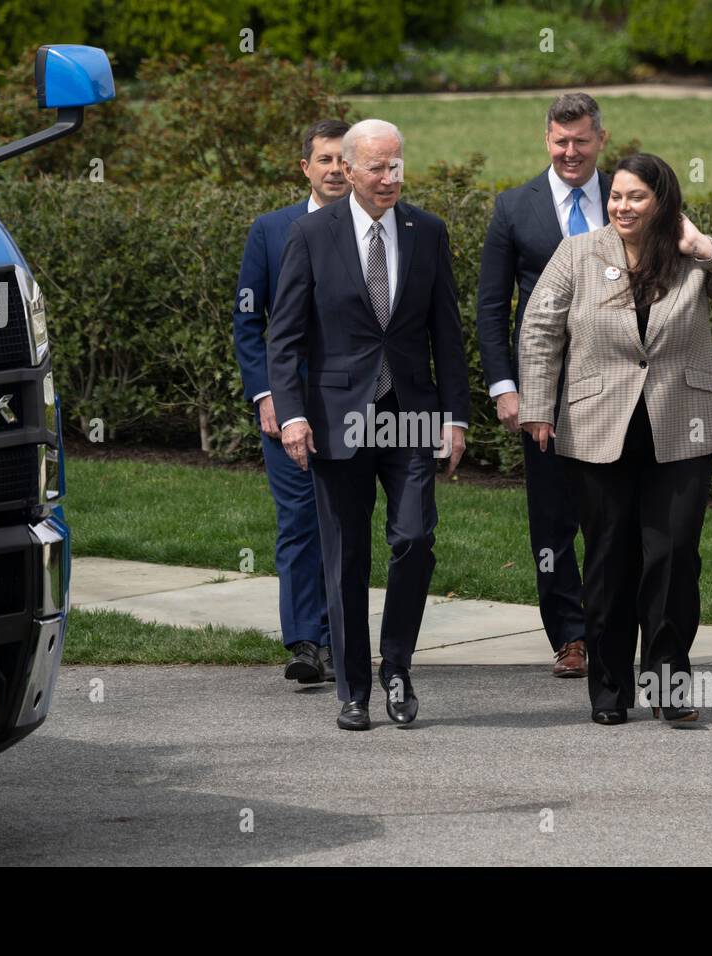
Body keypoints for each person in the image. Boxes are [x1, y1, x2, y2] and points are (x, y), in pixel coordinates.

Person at [517, 153, 712, 726]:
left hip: (681, 429)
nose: (622, 206)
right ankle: (609, 690)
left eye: (636, 197)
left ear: (662, 201)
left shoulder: (689, 257)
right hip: (596, 430)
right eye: (616, 196)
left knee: (674, 555)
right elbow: (539, 328)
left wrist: (703, 246)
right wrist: (536, 405)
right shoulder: (579, 253)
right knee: (609, 559)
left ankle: (670, 685)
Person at [266, 119, 471, 731]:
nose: (389, 178)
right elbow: (285, 335)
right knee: (345, 554)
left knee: (412, 539)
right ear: (348, 171)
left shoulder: (427, 232)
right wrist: (294, 414)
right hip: (336, 418)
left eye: (396, 166)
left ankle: (399, 668)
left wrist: (455, 417)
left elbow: (447, 335)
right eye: (377, 168)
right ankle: (353, 687)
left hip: (408, 413)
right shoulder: (310, 234)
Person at [476, 93, 612, 679]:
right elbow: (489, 306)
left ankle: (612, 626)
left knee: (612, 515)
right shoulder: (514, 207)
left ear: (600, 140)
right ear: (546, 140)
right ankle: (570, 636)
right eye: (560, 141)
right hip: (544, 393)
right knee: (553, 520)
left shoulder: (629, 196)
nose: (570, 152)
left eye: (581, 140)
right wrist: (506, 387)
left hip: (616, 389)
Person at [232, 118, 350, 686]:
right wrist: (267, 395)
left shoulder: (377, 230)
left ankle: (342, 638)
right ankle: (306, 642)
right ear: (305, 167)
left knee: (346, 523)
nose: (333, 169)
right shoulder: (271, 231)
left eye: (342, 159)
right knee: (301, 520)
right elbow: (249, 322)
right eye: (323, 159)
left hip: (355, 405)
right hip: (289, 405)